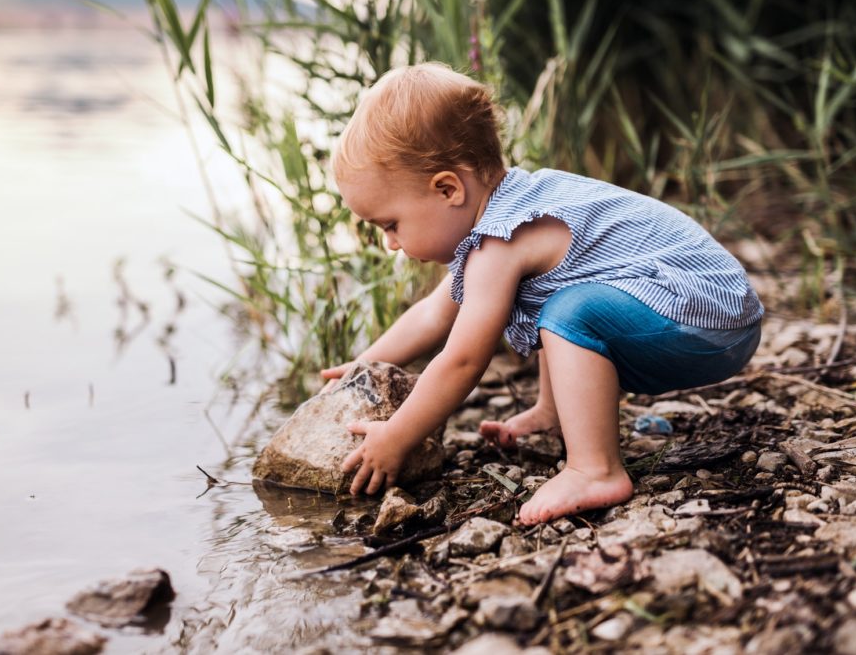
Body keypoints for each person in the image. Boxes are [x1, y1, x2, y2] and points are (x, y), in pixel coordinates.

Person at [320, 62, 763, 525]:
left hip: (706, 318)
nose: (390, 242)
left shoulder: (502, 241)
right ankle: (554, 414)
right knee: (562, 298)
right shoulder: (509, 210)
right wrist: (362, 367)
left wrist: (397, 436)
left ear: (448, 188)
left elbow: (464, 360)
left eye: (391, 224)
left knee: (570, 310)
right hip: (715, 310)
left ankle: (595, 469)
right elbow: (433, 314)